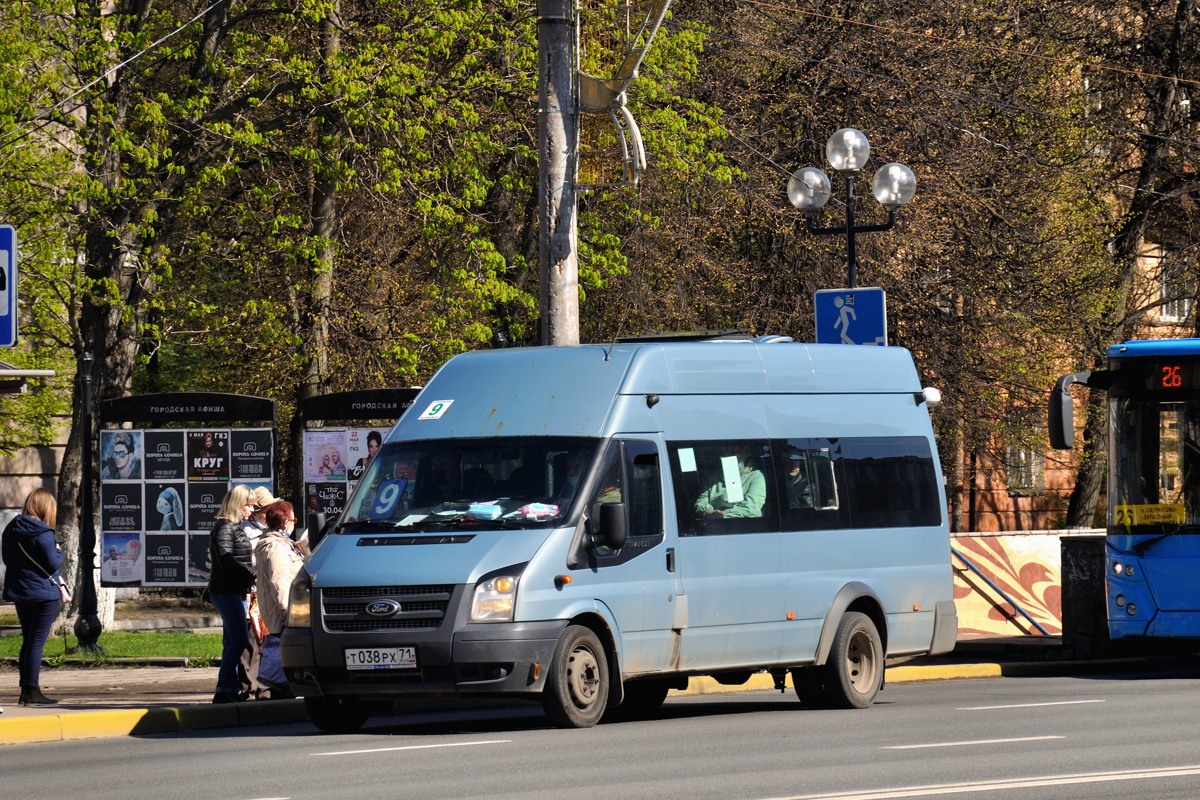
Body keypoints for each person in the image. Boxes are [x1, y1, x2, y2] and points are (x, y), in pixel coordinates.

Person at [1, 488, 63, 706]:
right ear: (45, 507)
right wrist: (59, 550)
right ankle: (32, 691)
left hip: (20, 590)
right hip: (43, 593)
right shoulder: (44, 533)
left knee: (28, 641)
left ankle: (25, 691)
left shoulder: (11, 529)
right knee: (36, 643)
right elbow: (53, 563)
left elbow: (7, 559)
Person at [206, 484, 257, 704]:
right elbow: (225, 558)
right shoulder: (225, 526)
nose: (252, 510)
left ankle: (230, 687)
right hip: (226, 590)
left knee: (232, 641)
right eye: (249, 505)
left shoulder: (234, 526)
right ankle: (224, 687)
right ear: (238, 504)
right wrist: (251, 573)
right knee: (239, 640)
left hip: (233, 590)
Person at [254, 501, 306, 699]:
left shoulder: (282, 544)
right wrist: (288, 613)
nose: (294, 523)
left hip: (284, 612)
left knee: (284, 668)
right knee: (281, 670)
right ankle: (280, 703)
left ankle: (282, 700)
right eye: (293, 519)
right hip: (283, 615)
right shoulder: (275, 547)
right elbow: (280, 583)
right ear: (285, 523)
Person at [694, 447, 766, 519]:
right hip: (713, 523)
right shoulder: (712, 475)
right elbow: (702, 500)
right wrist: (708, 511)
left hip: (745, 524)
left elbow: (752, 506)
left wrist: (723, 515)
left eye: (742, 451)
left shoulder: (755, 476)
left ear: (748, 455)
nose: (737, 455)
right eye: (732, 451)